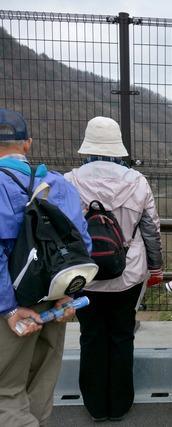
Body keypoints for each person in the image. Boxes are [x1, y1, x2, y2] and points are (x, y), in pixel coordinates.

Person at [64, 116, 164, 422]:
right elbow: (150, 230)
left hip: (84, 276)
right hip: (127, 275)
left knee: (91, 335)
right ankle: (119, 405)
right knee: (122, 335)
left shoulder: (69, 182)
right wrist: (156, 266)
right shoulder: (137, 181)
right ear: (118, 147)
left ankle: (95, 406)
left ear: (88, 146)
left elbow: (60, 230)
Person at [0, 108, 91, 426]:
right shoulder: (58, 184)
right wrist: (66, 296)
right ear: (27, 144)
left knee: (6, 393)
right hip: (55, 299)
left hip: (12, 303)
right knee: (40, 386)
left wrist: (9, 309)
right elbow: (82, 246)